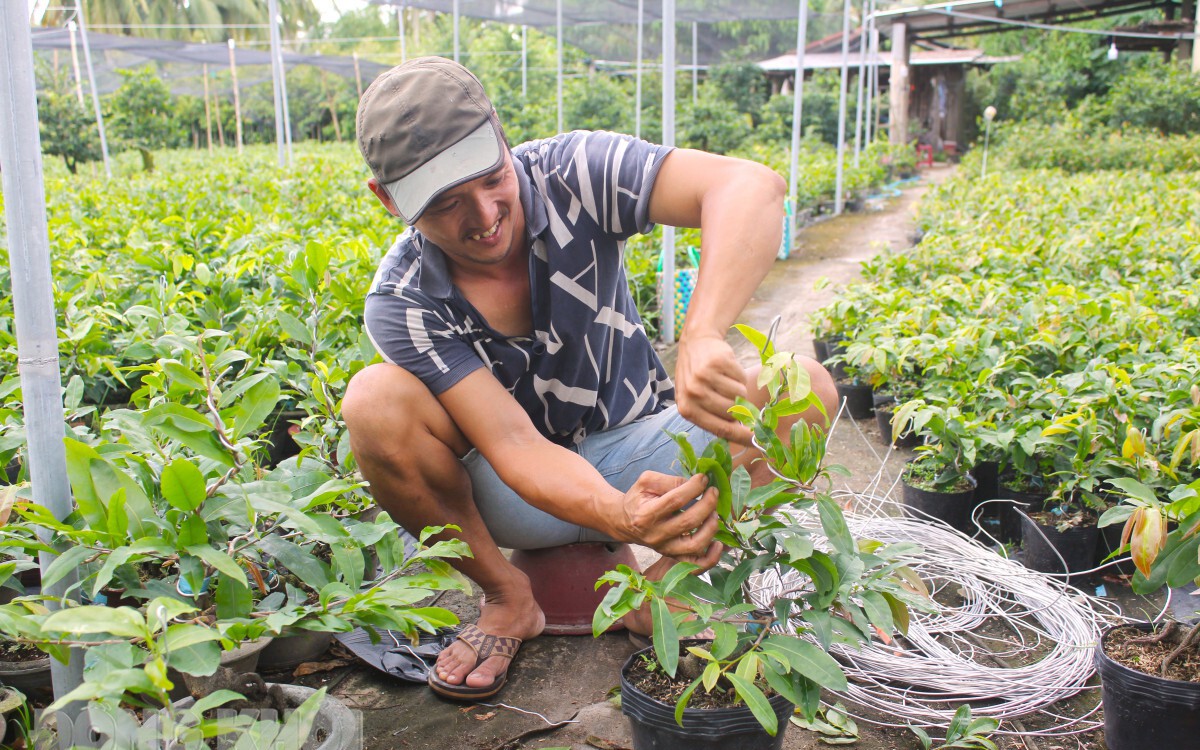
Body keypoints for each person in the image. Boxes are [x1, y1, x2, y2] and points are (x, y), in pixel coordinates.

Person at [343, 56, 836, 701]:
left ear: (499, 133)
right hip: (513, 495)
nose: (486, 216)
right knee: (374, 402)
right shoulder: (404, 300)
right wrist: (617, 515)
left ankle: (659, 590)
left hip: (647, 456)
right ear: (389, 201)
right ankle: (506, 596)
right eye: (445, 205)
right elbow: (515, 446)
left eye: (492, 179)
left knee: (804, 385)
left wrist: (704, 330)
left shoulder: (571, 172)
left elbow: (753, 189)